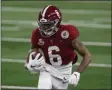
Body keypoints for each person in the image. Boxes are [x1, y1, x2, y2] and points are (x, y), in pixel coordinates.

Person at [24, 5, 92, 89]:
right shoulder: (37, 34)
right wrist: (29, 65)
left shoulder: (68, 33)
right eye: (42, 25)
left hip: (64, 70)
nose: (44, 28)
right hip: (47, 67)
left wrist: (77, 73)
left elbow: (87, 55)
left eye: (48, 25)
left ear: (57, 22)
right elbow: (33, 52)